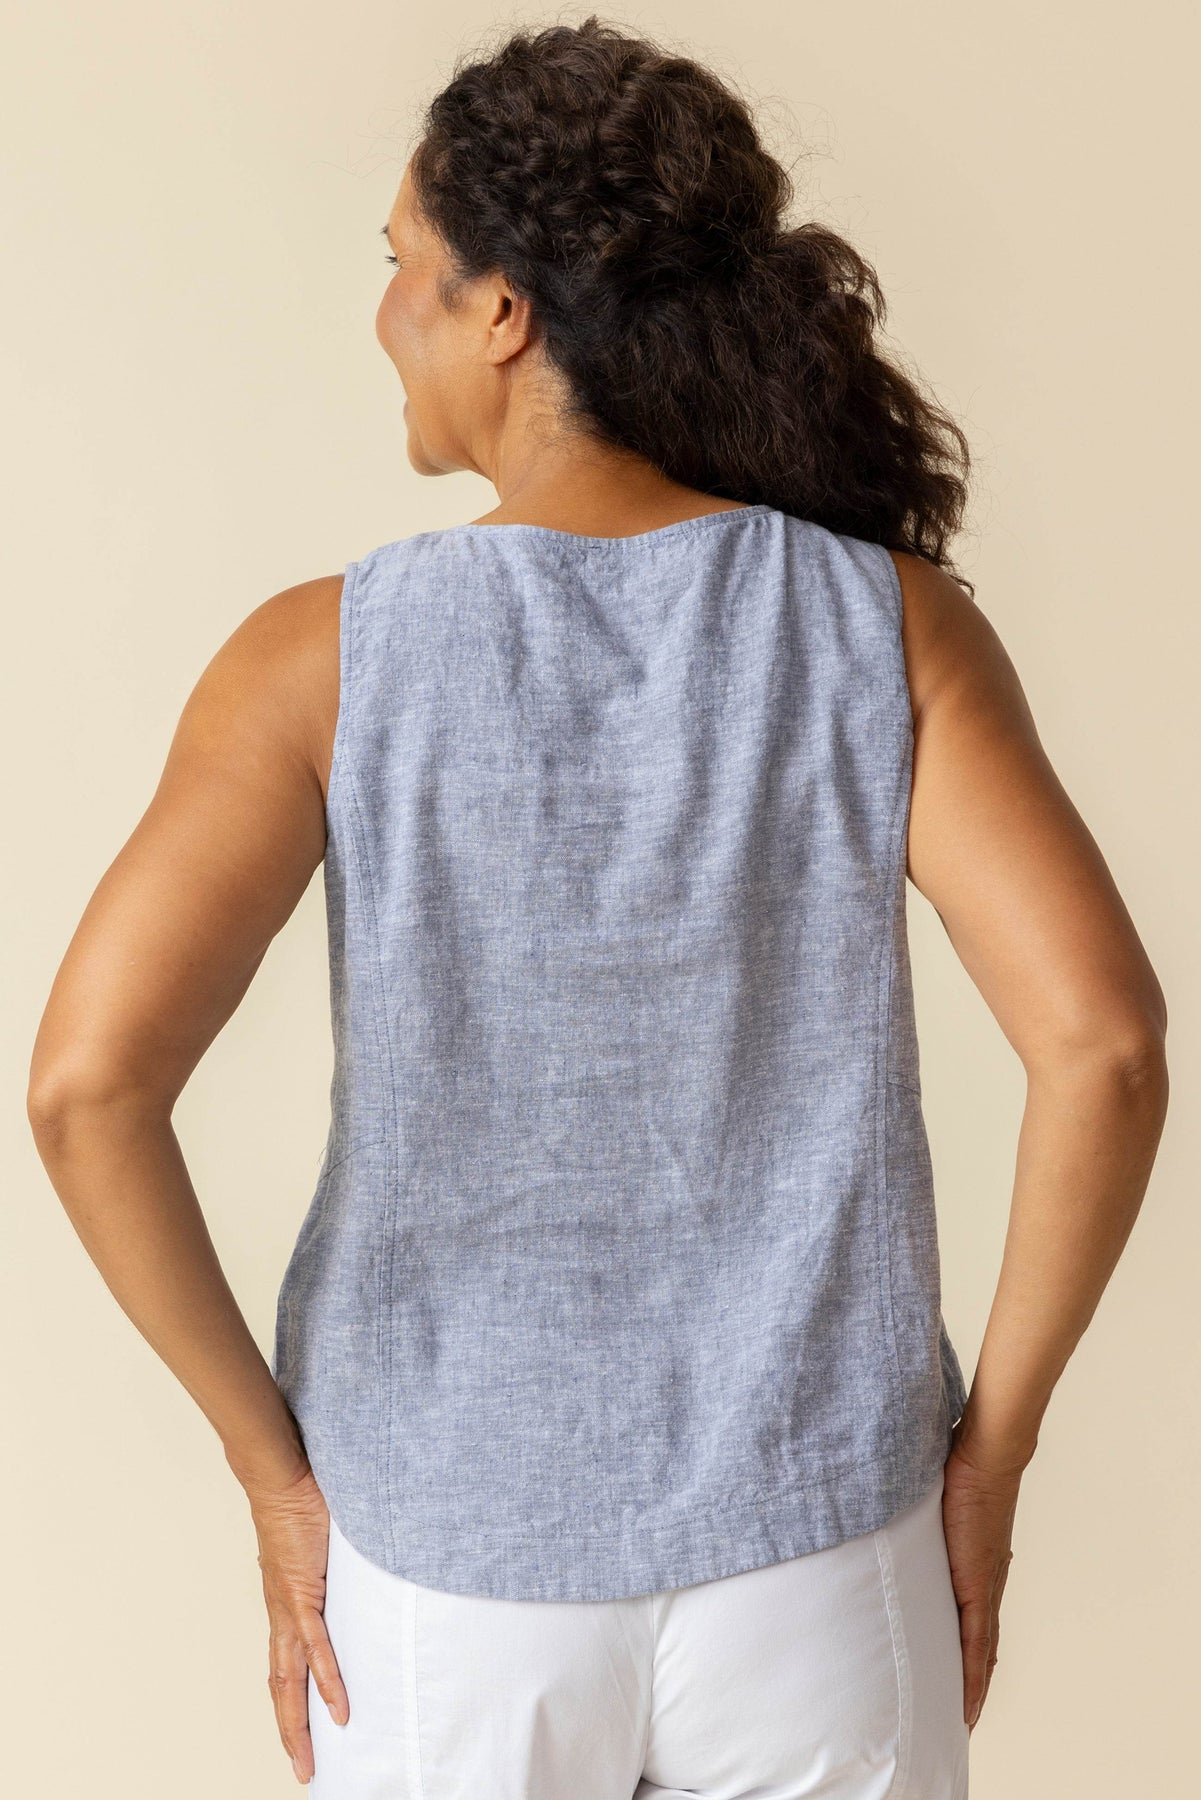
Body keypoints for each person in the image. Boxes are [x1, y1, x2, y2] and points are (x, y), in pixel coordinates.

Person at [27, 16, 1169, 1799]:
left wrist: (273, 1480)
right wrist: (989, 1461)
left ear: (501, 310)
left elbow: (86, 1088)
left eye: (398, 265)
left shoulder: (319, 660)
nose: (384, 314)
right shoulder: (884, 626)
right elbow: (1101, 1047)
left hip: (445, 1570)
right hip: (820, 1554)